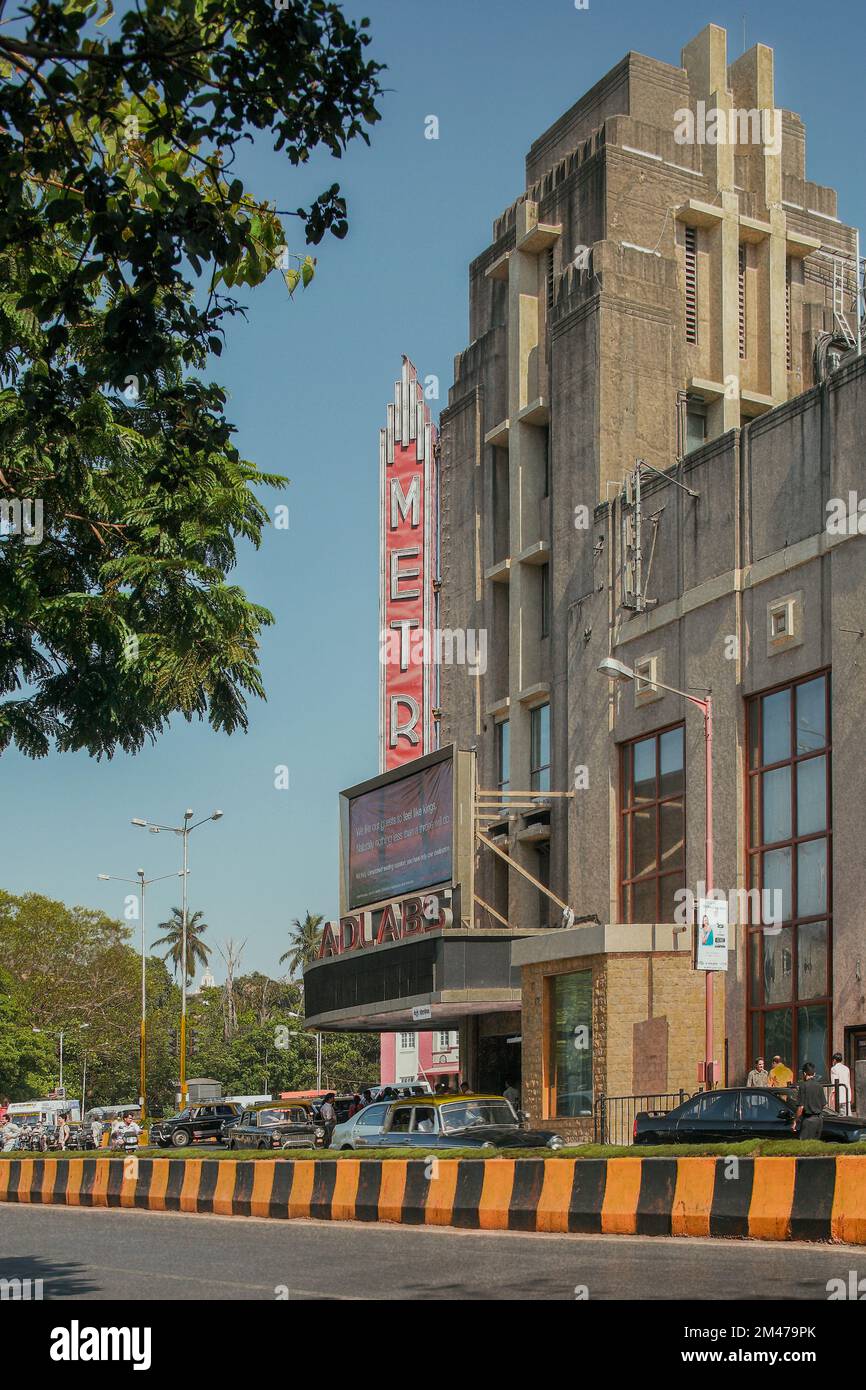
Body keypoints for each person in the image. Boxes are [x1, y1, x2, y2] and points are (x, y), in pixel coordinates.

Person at [793, 1062, 826, 1141]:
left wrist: (795, 1120)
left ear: (804, 1073)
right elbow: (823, 1104)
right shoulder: (819, 1086)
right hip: (819, 1120)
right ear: (814, 1074)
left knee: (804, 1148)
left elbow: (801, 1107)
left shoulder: (803, 1086)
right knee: (814, 1147)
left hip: (808, 1121)